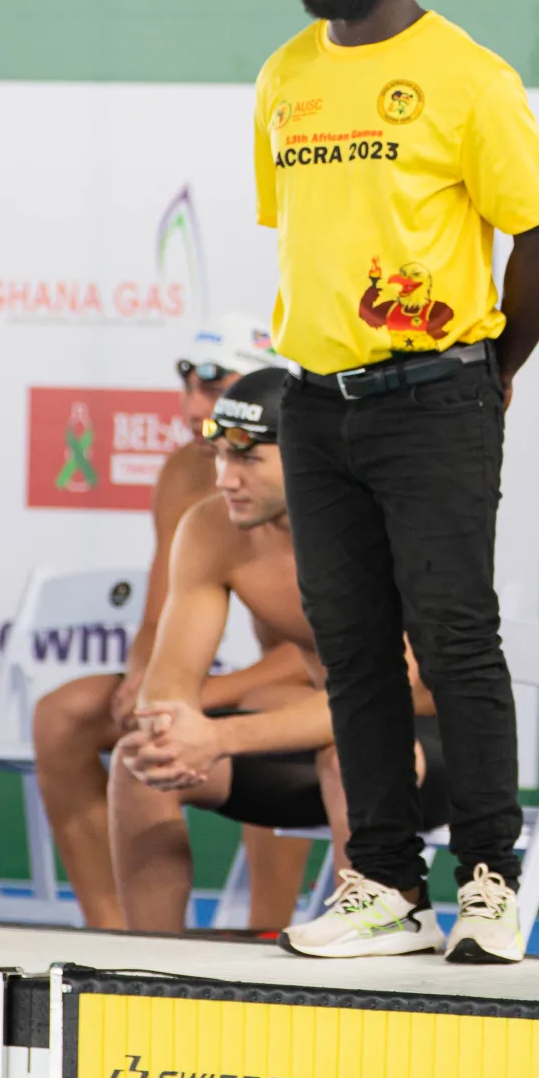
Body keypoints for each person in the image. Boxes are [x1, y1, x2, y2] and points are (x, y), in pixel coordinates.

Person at [256, 0, 539, 964]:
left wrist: (494, 369)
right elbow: (311, 237)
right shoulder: (285, 75)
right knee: (351, 652)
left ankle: (491, 880)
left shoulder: (468, 77)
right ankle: (386, 884)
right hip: (314, 404)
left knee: (454, 639)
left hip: (436, 392)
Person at [111, 369, 450, 934]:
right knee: (142, 758)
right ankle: (147, 961)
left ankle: (374, 941)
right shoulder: (212, 528)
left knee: (355, 755)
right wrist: (173, 730)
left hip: (431, 750)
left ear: (308, 453)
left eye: (247, 459)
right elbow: (167, 689)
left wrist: (218, 737)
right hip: (327, 738)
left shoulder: (385, 527)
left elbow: (383, 701)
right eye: (221, 456)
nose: (225, 479)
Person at [29, 314, 295, 929]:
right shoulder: (184, 473)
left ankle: (269, 923)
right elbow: (160, 609)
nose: (196, 406)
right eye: (189, 386)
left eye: (215, 388)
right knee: (64, 715)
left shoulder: (305, 486)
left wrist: (202, 697)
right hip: (219, 687)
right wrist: (143, 682)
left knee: (263, 709)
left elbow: (319, 657)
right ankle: (113, 927)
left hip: (302, 689)